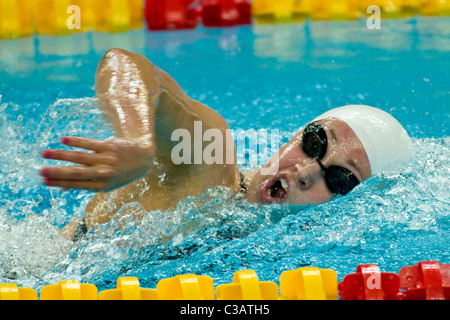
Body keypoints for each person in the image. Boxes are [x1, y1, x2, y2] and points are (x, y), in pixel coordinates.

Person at [40, 48, 413, 241]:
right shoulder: (210, 158)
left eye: (342, 179)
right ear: (293, 136)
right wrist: (136, 139)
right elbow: (126, 65)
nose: (304, 171)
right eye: (314, 143)